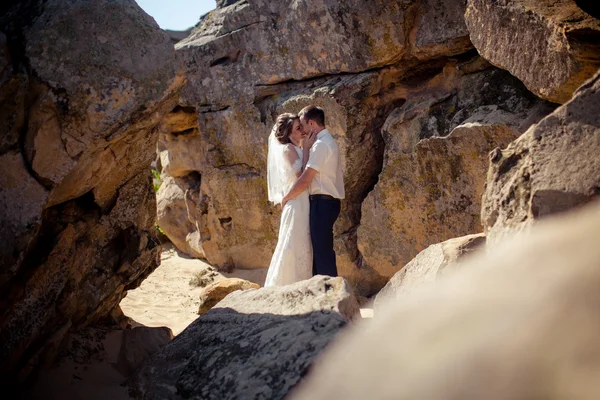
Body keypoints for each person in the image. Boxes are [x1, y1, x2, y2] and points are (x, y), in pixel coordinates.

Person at [282, 105, 345, 277]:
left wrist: (287, 197)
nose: (302, 130)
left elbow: (305, 179)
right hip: (323, 203)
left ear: (311, 123)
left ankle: (330, 295)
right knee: (319, 253)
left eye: (302, 125)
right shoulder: (323, 143)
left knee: (323, 254)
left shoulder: (322, 145)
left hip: (322, 203)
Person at [264, 113, 316, 286]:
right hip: (296, 204)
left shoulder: (298, 149)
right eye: (298, 128)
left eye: (301, 127)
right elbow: (301, 177)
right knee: (292, 246)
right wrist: (307, 148)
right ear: (288, 133)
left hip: (303, 202)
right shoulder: (288, 150)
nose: (302, 131)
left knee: (302, 246)